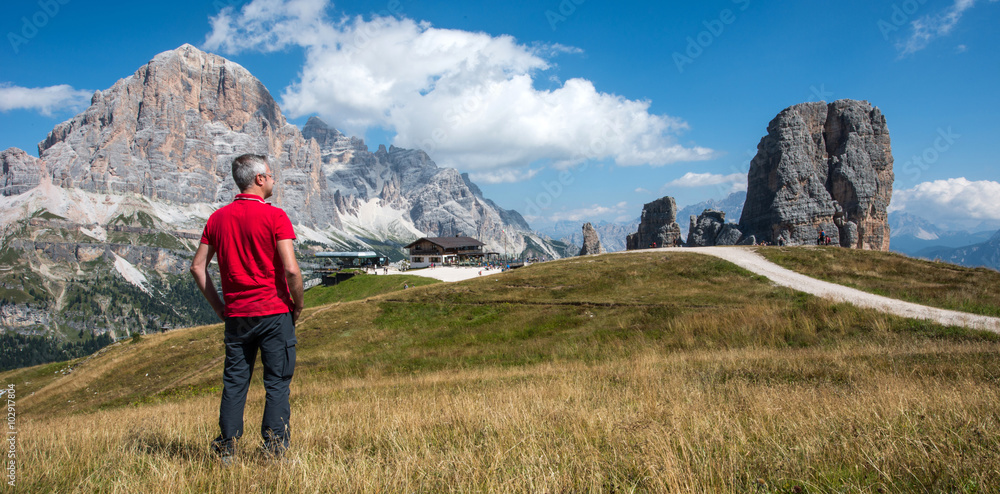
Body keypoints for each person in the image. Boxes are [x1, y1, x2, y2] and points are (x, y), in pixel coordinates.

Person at [190, 154, 304, 464]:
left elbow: (198, 268)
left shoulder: (217, 219)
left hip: (237, 316)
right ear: (258, 179)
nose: (273, 180)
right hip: (274, 312)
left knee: (235, 381)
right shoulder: (275, 216)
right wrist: (298, 304)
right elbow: (291, 270)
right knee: (277, 382)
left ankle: (226, 448)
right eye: (270, 174)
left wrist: (220, 309)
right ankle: (274, 451)